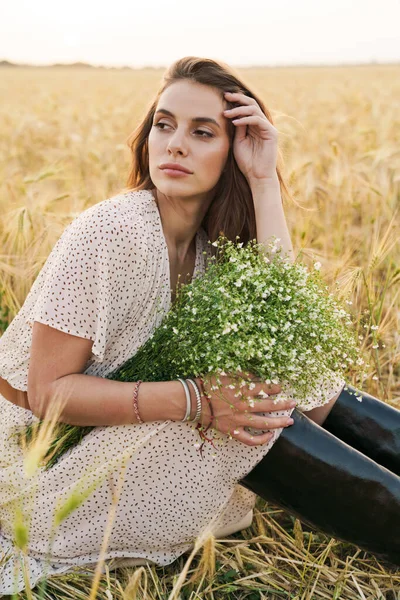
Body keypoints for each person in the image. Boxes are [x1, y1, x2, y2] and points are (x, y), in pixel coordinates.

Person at [0, 56, 398, 596]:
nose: (175, 144)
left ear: (232, 150)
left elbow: (283, 321)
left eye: (202, 131)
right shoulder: (110, 232)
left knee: (297, 376)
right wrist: (197, 400)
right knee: (254, 412)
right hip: (44, 468)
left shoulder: (216, 240)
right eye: (163, 125)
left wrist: (263, 180)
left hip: (122, 431)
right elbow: (49, 394)